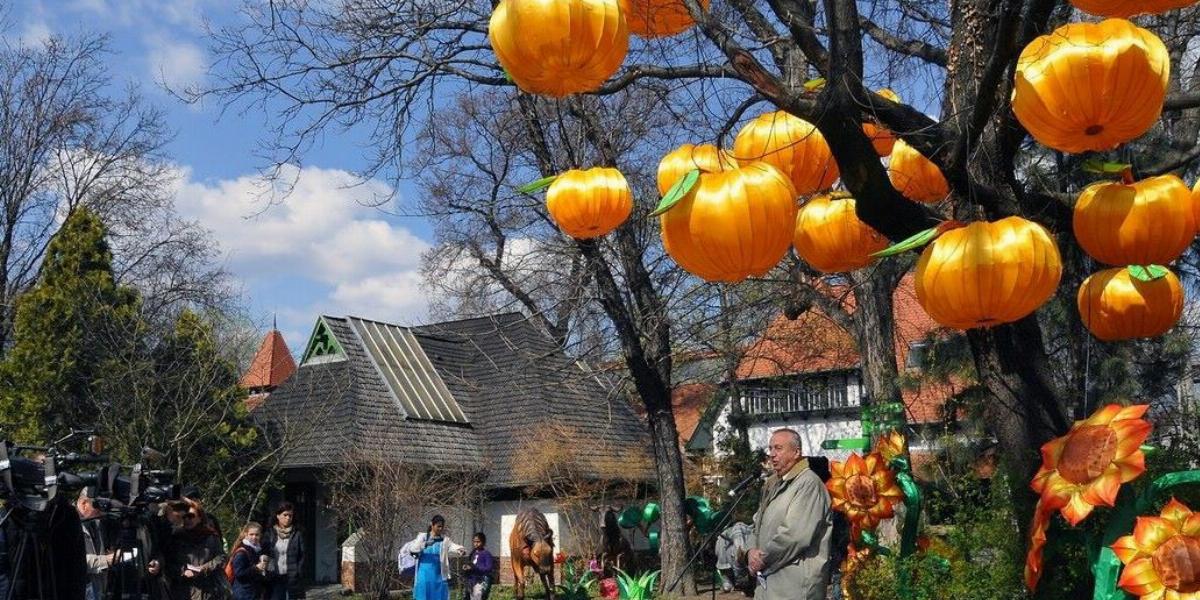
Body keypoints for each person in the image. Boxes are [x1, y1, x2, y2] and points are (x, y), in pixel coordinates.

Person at [746, 429, 832, 600]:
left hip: (796, 586)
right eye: (770, 449)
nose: (772, 454)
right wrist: (750, 551)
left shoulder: (808, 484)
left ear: (796, 452)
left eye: (778, 448)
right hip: (768, 584)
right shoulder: (774, 484)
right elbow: (757, 523)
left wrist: (761, 560)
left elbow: (794, 535)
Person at [164, 499, 227, 600]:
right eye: (185, 517)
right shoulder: (175, 538)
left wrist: (204, 568)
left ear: (199, 518)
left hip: (207, 590)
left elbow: (221, 557)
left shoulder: (210, 536)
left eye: (191, 516)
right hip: (182, 591)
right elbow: (168, 562)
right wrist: (182, 571)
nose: (187, 520)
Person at [402, 515, 467, 600]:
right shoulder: (423, 537)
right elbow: (413, 549)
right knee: (424, 596)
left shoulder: (444, 540)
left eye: (442, 526)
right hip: (424, 575)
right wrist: (425, 544)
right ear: (432, 525)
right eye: (438, 526)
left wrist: (460, 550)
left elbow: (453, 546)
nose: (440, 528)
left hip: (439, 576)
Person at [262, 502, 305, 600]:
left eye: (290, 515)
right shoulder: (270, 533)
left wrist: (298, 572)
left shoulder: (297, 533)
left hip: (291, 577)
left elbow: (302, 555)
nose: (288, 518)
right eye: (285, 515)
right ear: (278, 515)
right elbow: (264, 552)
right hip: (274, 577)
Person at [77, 489, 114, 600]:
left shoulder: (98, 522)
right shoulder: (67, 524)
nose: (101, 513)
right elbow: (74, 561)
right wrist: (106, 560)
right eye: (97, 508)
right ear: (84, 504)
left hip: (100, 589)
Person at [229, 522, 268, 600]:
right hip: (242, 594)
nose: (254, 537)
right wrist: (256, 568)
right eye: (251, 534)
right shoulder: (242, 552)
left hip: (253, 593)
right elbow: (239, 574)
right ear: (246, 535)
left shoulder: (257, 549)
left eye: (257, 535)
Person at [461, 532, 494, 600]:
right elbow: (471, 564)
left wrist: (475, 568)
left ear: (483, 542)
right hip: (471, 582)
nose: (476, 544)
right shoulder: (473, 553)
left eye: (478, 542)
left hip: (480, 582)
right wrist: (466, 567)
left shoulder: (486, 554)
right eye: (474, 542)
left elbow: (489, 568)